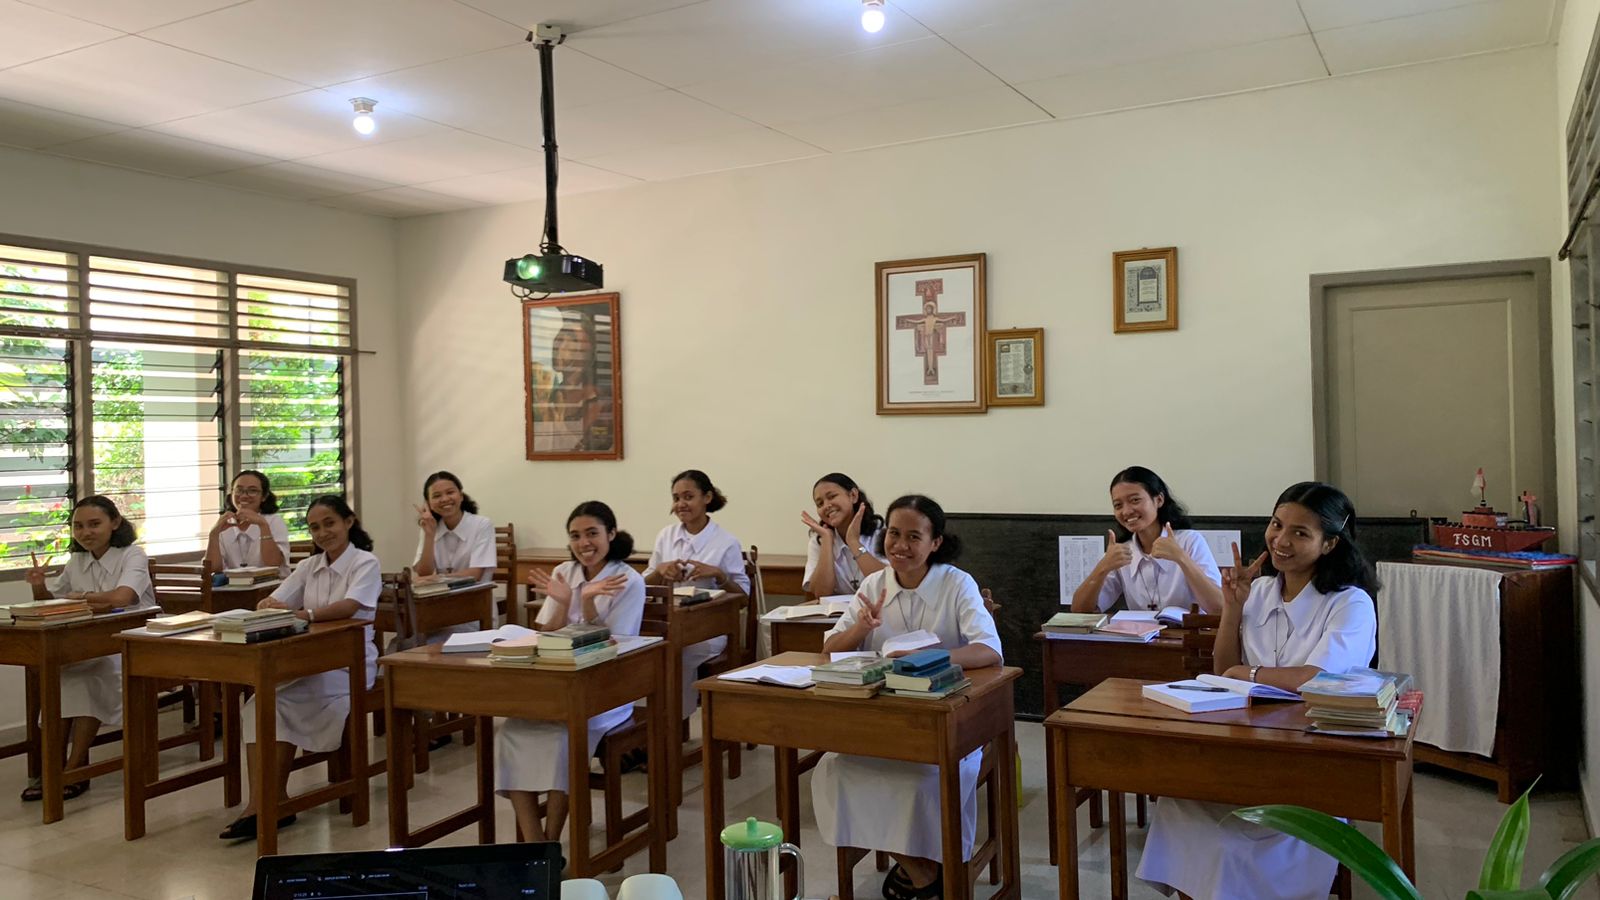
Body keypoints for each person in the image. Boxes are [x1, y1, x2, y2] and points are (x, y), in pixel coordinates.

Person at [1137, 482, 1381, 900]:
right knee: (1179, 805)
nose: (1281, 541)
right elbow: (1222, 671)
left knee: (1227, 844)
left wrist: (1249, 674)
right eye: (1276, 525)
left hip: (1313, 760)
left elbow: (1316, 679)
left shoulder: (1350, 603)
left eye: (1300, 533)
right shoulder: (1263, 589)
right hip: (1249, 747)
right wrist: (1233, 607)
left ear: (1329, 544)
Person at [813, 495, 1002, 899]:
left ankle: (927, 865)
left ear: (936, 542)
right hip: (882, 722)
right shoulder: (874, 584)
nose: (900, 545)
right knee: (836, 769)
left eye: (914, 537)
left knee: (921, 780)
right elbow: (830, 649)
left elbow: (989, 649)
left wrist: (928, 657)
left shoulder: (956, 583)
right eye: (894, 534)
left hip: (947, 723)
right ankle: (922, 870)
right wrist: (861, 628)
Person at [221, 495, 379, 841]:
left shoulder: (365, 562)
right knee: (257, 706)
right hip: (310, 662)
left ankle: (264, 807)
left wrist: (303, 614)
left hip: (349, 665)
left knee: (277, 703)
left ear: (348, 522)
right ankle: (268, 801)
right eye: (315, 527)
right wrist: (269, 603)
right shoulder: (310, 565)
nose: (323, 533)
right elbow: (280, 599)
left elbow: (350, 606)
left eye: (330, 523)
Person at [498, 501, 644, 852]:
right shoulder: (564, 571)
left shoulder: (628, 579)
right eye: (575, 536)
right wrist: (564, 604)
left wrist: (589, 605)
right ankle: (535, 847)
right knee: (510, 732)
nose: (584, 543)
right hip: (558, 688)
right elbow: (545, 634)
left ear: (611, 534)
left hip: (606, 690)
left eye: (592, 533)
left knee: (563, 737)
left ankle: (549, 843)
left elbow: (613, 647)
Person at [20, 495, 156, 801]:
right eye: (78, 526)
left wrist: (81, 596)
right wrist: (39, 586)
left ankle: (75, 768)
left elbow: (122, 598)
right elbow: (53, 603)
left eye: (94, 524)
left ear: (115, 523)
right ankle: (54, 769)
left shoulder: (132, 554)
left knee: (92, 674)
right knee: (62, 676)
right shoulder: (78, 560)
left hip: (134, 642)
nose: (86, 532)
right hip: (90, 643)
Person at [645, 469, 749, 718]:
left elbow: (744, 598)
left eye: (688, 497)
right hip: (670, 624)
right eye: (676, 498)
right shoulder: (666, 536)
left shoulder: (726, 542)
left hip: (708, 629)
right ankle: (650, 725)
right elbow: (643, 586)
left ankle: (672, 722)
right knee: (645, 654)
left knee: (677, 655)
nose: (681, 504)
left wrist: (719, 575)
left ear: (707, 498)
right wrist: (660, 571)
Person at [1071, 466, 1222, 614]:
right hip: (1140, 632)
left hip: (1192, 631)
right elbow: (1080, 610)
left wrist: (1181, 558)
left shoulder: (1190, 541)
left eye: (1135, 500)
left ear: (1159, 500)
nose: (1126, 511)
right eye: (1118, 505)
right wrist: (1102, 567)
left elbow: (1220, 608)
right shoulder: (1121, 552)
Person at [800, 472, 885, 598]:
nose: (826, 506)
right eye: (820, 504)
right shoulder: (819, 540)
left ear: (853, 495)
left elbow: (885, 583)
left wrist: (854, 543)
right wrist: (827, 541)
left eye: (832, 496)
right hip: (839, 611)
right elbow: (821, 593)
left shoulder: (881, 533)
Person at [203, 470, 289, 578]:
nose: (244, 496)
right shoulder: (225, 523)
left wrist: (263, 526)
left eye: (252, 491)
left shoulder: (274, 521)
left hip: (273, 585)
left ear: (264, 496)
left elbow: (273, 563)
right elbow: (213, 568)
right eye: (239, 490)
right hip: (235, 587)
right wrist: (213, 534)